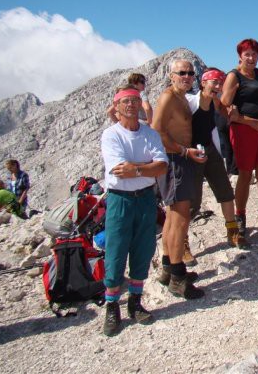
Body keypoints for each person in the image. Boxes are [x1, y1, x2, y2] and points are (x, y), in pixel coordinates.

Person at [100, 84, 168, 336]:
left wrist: (137, 169)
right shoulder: (111, 135)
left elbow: (162, 166)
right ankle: (111, 306)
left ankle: (135, 302)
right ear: (116, 107)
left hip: (146, 199)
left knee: (142, 249)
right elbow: (119, 169)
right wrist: (147, 167)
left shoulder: (150, 133)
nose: (130, 105)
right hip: (120, 199)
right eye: (125, 101)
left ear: (140, 104)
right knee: (116, 251)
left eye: (135, 100)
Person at [152, 59, 207, 297]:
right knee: (179, 219)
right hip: (174, 161)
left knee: (172, 219)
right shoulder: (168, 97)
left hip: (180, 159)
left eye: (190, 73)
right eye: (181, 73)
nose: (187, 76)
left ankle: (168, 267)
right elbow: (156, 130)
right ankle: (178, 277)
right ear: (171, 75)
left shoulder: (182, 97)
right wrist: (184, 152)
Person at [221, 39, 258, 245]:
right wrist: (247, 121)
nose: (251, 57)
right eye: (247, 54)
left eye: (254, 54)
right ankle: (240, 217)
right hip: (244, 131)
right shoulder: (233, 76)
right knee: (245, 174)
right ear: (240, 56)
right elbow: (224, 106)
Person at [187, 67, 248, 249]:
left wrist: (233, 110)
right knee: (192, 202)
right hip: (191, 153)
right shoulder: (190, 102)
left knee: (225, 192)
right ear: (203, 83)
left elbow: (229, 113)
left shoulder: (215, 103)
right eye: (214, 82)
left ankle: (232, 231)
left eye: (221, 83)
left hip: (210, 150)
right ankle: (181, 243)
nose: (218, 86)